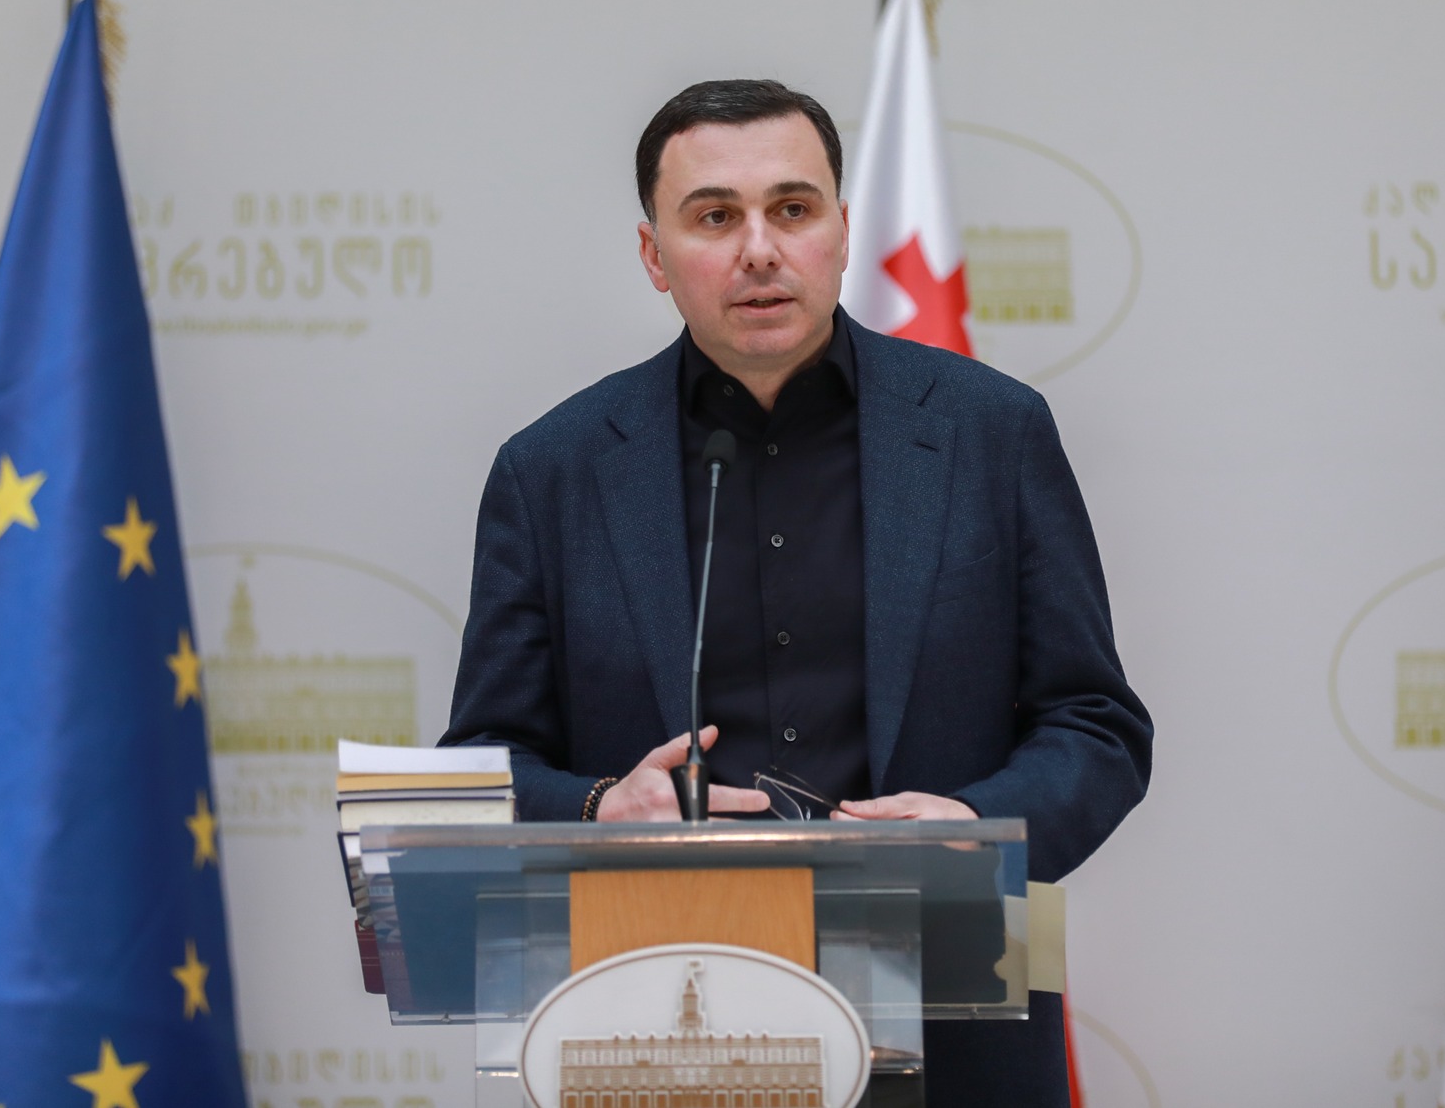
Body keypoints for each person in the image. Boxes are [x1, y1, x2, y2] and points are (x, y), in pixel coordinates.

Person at [441, 79, 1153, 1106]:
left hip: (951, 1028)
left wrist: (971, 821)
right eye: (714, 217)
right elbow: (484, 761)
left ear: (842, 230)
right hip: (658, 1028)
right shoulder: (554, 471)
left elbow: (1095, 725)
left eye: (791, 208)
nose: (760, 249)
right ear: (653, 255)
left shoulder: (989, 433)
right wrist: (599, 805)